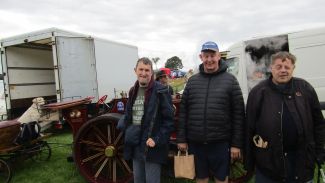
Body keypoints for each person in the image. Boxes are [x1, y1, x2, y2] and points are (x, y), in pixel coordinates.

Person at [245, 51, 325, 183]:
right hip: (268, 163)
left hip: (302, 160)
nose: (283, 70)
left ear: (293, 68)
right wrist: (249, 161)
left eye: (287, 67)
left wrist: (319, 152)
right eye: (278, 67)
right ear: (271, 68)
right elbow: (249, 127)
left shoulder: (305, 88)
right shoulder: (258, 92)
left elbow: (319, 124)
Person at [177, 41, 245, 183]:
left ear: (219, 56)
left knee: (221, 179)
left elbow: (238, 115)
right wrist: (182, 139)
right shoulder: (192, 81)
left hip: (220, 144)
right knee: (201, 179)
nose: (209, 60)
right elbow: (183, 112)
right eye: (206, 56)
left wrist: (236, 144)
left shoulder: (230, 80)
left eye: (212, 55)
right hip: (196, 143)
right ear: (201, 57)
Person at [118, 57, 174, 183]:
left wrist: (157, 139)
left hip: (152, 146)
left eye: (147, 70)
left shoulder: (161, 91)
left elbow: (169, 121)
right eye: (141, 69)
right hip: (136, 144)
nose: (143, 73)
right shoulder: (133, 90)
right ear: (135, 71)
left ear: (151, 73)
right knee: (138, 180)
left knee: (151, 180)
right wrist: (124, 129)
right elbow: (128, 115)